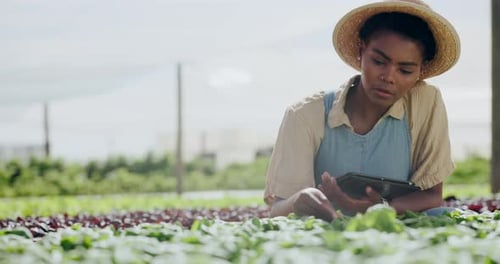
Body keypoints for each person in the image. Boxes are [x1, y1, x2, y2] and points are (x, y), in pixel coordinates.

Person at [264, 0, 461, 221]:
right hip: (328, 229)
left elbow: (432, 196)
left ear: (420, 71)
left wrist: (379, 209)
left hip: (394, 225)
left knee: (444, 216)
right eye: (378, 61)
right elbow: (279, 208)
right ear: (361, 51)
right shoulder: (304, 115)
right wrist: (299, 199)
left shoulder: (425, 102)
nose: (389, 77)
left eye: (405, 70)